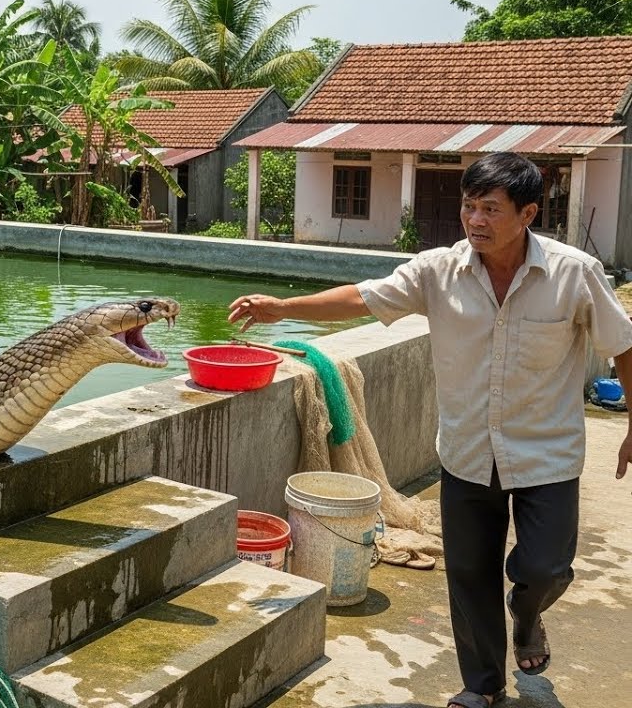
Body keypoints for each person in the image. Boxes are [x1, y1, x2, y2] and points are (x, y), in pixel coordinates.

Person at [228, 151, 632, 708]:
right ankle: (482, 686)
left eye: (491, 208)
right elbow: (362, 298)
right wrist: (282, 307)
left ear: (528, 213)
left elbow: (624, 344)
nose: (475, 220)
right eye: (470, 206)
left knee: (543, 568)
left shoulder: (574, 274)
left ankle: (528, 615)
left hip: (547, 452)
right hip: (466, 451)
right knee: (468, 575)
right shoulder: (437, 271)